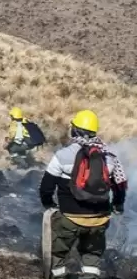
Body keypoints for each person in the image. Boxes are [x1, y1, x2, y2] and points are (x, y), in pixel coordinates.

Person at [38, 110, 128, 279]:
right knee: (92, 256)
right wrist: (118, 206)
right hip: (99, 219)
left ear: (76, 130)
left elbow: (46, 187)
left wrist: (49, 205)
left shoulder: (62, 155)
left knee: (59, 254)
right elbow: (120, 187)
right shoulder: (108, 157)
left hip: (69, 217)